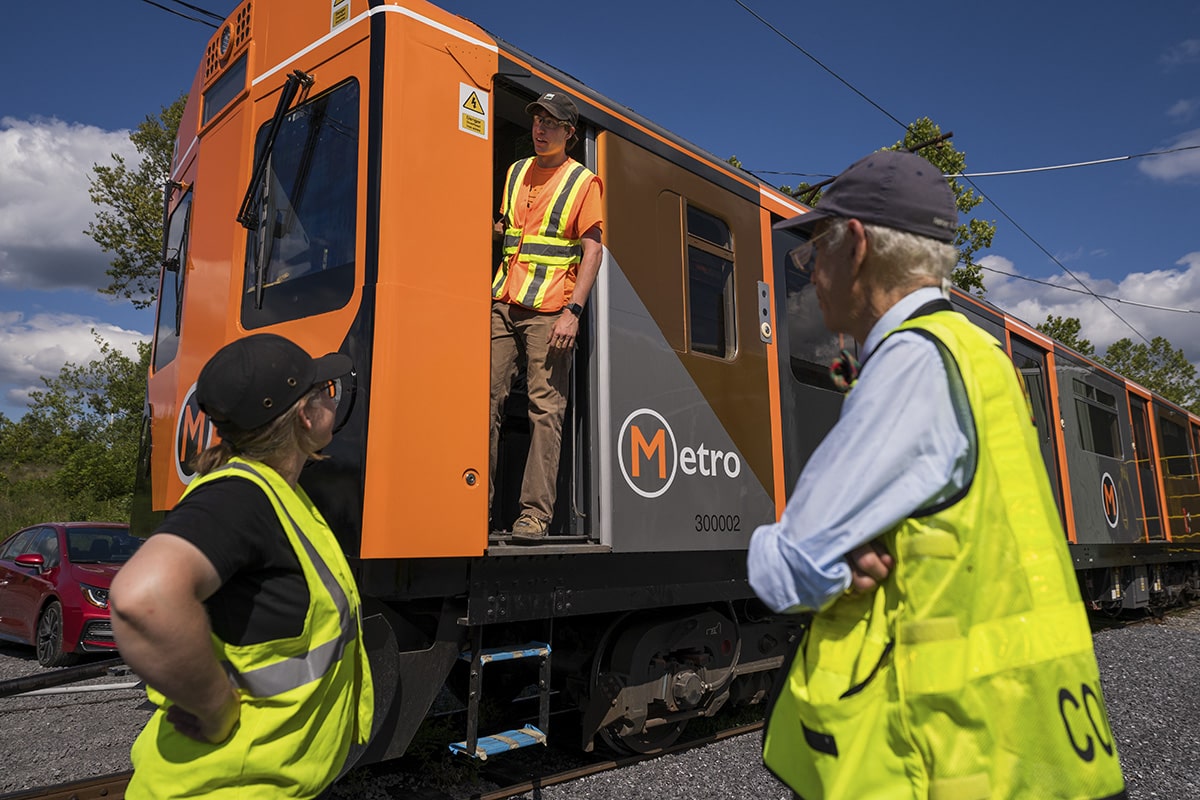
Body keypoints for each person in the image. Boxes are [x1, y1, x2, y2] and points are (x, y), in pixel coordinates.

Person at [747, 150, 1126, 799]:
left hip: (952, 759)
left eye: (815, 252)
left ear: (856, 244)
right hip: (1040, 748)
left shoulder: (910, 363)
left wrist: (812, 556)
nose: (810, 275)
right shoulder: (978, 356)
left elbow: (790, 563)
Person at [110, 333, 374, 799]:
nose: (332, 401)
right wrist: (214, 707)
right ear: (305, 416)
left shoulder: (277, 492)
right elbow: (142, 596)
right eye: (324, 392)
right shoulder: (241, 496)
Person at [489, 90, 604, 540]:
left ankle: (533, 515)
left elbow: (591, 252)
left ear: (569, 134)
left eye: (551, 123)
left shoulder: (583, 183)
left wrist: (573, 312)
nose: (540, 129)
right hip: (502, 303)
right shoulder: (516, 172)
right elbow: (509, 232)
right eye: (537, 120)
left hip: (551, 311)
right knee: (483, 404)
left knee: (544, 411)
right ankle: (472, 505)